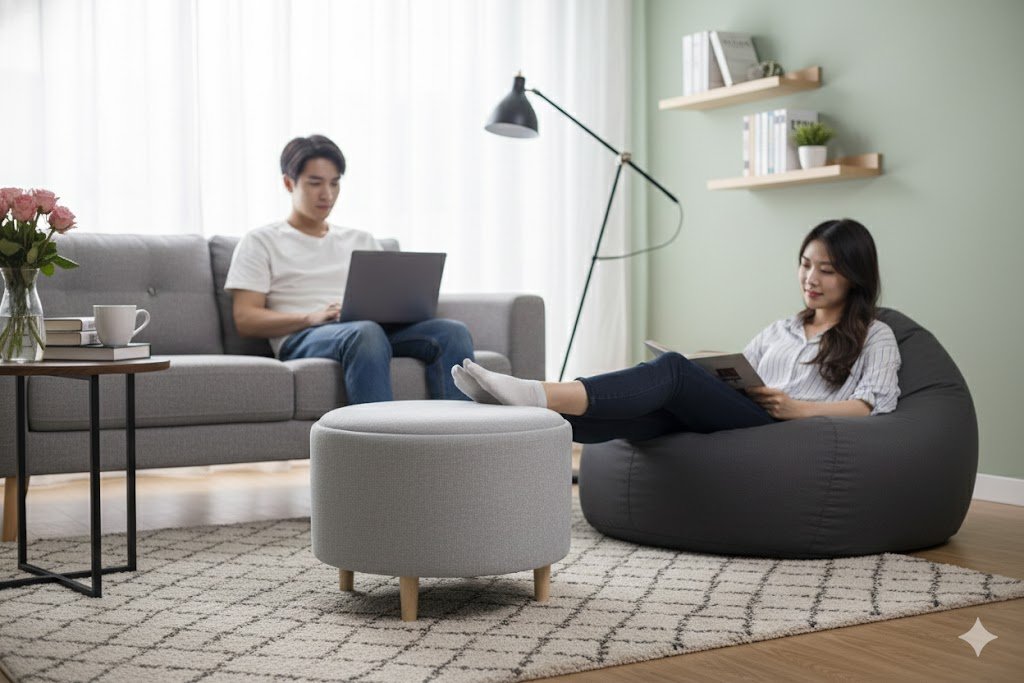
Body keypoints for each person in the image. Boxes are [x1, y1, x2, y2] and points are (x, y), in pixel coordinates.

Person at [452, 218, 901, 442]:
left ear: (854, 276)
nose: (811, 279)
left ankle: (535, 392)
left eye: (827, 270)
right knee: (651, 415)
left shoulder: (874, 335)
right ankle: (523, 419)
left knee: (670, 370)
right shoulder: (782, 329)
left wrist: (796, 409)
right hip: (752, 414)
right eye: (805, 266)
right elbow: (743, 374)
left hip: (785, 430)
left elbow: (872, 406)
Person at [225, 134, 474, 404]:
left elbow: (386, 299)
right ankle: (378, 440)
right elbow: (246, 319)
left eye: (334, 183)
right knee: (365, 332)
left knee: (452, 331)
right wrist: (310, 317)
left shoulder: (361, 240)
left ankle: (456, 437)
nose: (327, 194)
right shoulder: (261, 241)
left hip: (369, 329)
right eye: (315, 183)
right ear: (288, 183)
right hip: (305, 335)